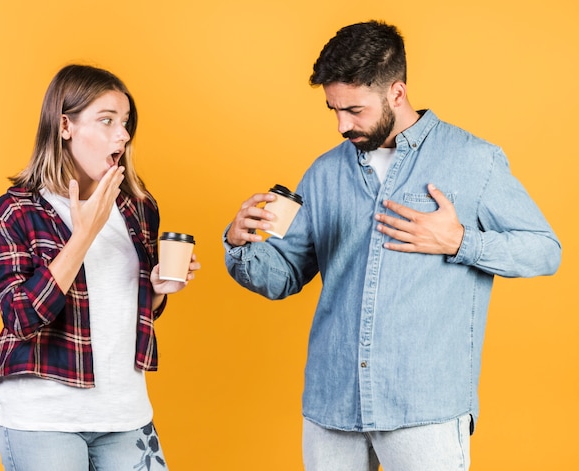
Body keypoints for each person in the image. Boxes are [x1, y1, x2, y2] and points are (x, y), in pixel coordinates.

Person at [223, 20, 561, 471]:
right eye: (334, 110)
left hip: (423, 409)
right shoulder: (324, 173)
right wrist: (239, 243)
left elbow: (544, 249)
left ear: (396, 93)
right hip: (333, 406)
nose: (343, 124)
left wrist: (459, 241)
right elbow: (283, 276)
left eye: (355, 110)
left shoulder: (473, 159)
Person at [0, 64, 200, 471]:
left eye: (126, 122)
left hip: (125, 413)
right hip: (44, 419)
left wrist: (155, 288)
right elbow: (22, 317)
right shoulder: (12, 212)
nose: (123, 135)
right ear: (65, 125)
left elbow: (126, 312)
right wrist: (83, 234)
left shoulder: (138, 206)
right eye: (107, 120)